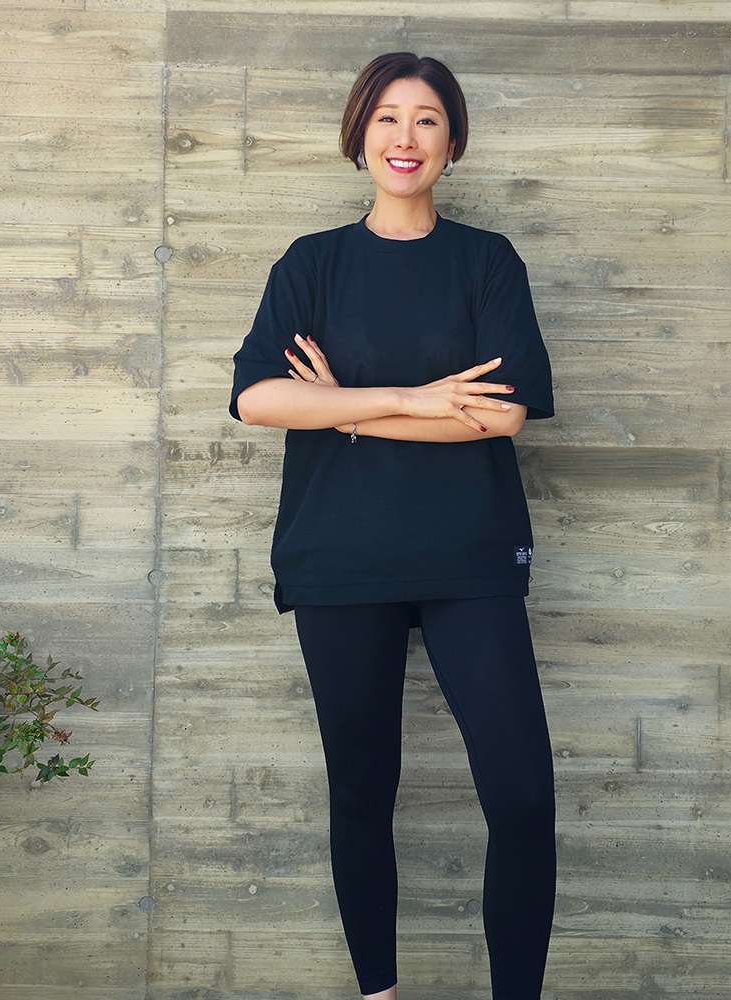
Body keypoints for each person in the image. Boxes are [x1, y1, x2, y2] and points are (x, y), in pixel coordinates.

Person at [229, 52, 556, 1000]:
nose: (404, 138)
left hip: (470, 557)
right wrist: (415, 398)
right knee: (363, 793)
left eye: (425, 120)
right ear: (359, 135)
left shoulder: (487, 262)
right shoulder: (312, 263)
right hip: (342, 559)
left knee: (523, 799)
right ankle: (380, 994)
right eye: (386, 117)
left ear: (452, 143)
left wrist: (343, 410)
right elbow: (258, 399)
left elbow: (499, 416)